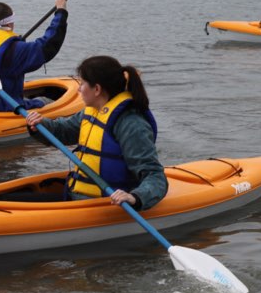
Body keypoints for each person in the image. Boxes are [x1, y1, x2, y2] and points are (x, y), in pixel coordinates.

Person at [25, 55, 167, 209]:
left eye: (82, 83)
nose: (79, 89)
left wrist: (135, 197)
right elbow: (64, 131)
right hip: (78, 197)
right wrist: (40, 124)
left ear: (97, 89)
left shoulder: (131, 124)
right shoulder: (92, 111)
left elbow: (154, 175)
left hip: (107, 204)